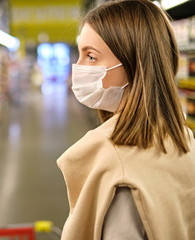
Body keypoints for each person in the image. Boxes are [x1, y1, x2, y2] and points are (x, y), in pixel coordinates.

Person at [56, 0, 195, 239]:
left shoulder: (117, 168)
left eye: (90, 56)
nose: (77, 67)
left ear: (134, 63)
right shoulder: (183, 138)